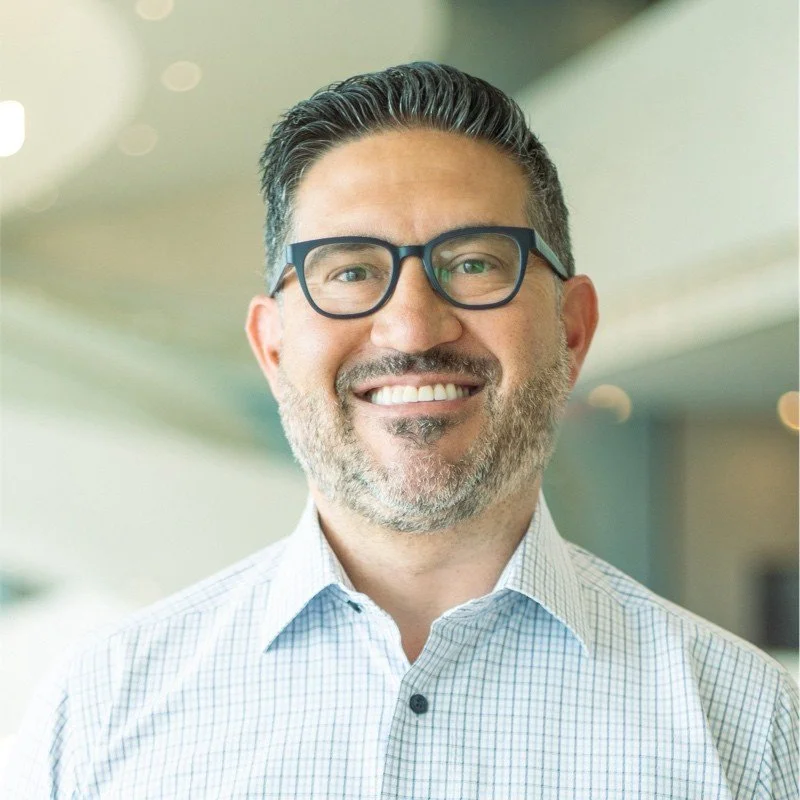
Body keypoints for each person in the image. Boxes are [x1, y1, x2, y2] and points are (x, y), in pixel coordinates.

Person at [3, 62, 797, 799]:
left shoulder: (747, 726)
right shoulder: (103, 705)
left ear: (573, 328)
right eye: (349, 271)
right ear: (273, 346)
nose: (413, 325)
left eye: (477, 262)